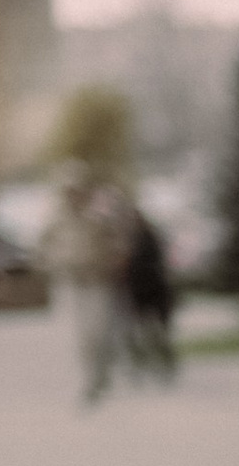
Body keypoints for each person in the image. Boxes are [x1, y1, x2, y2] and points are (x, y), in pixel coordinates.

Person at [41, 164, 129, 404]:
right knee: (82, 338)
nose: (72, 196)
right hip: (73, 283)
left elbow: (118, 245)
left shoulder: (98, 217)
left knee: (99, 332)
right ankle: (90, 381)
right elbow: (45, 247)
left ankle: (102, 373)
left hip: (98, 282)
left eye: (76, 190)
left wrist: (112, 263)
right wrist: (55, 264)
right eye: (68, 191)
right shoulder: (58, 220)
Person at [122, 208, 178, 384]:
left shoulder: (148, 239)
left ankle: (162, 365)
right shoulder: (129, 240)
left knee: (156, 333)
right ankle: (148, 366)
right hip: (139, 292)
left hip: (153, 290)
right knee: (142, 333)